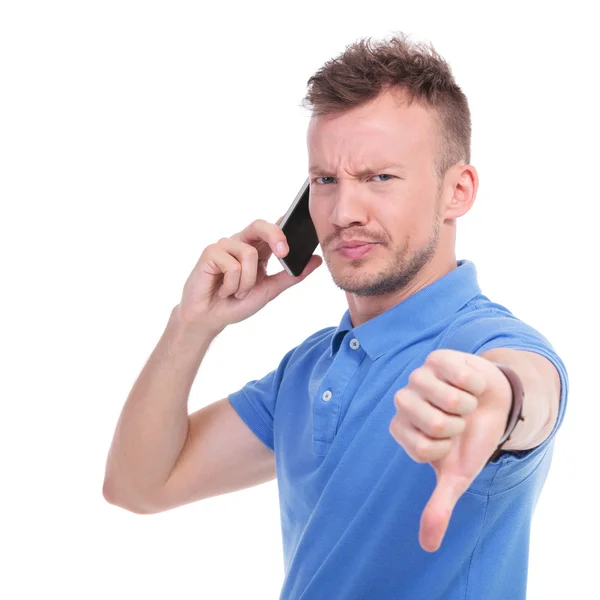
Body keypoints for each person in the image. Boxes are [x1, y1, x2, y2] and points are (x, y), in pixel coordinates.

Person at [103, 32, 569, 600]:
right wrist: (191, 325)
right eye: (325, 180)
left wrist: (501, 401)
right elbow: (138, 486)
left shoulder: (482, 342)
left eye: (380, 178)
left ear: (457, 191)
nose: (344, 211)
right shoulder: (307, 371)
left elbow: (525, 388)